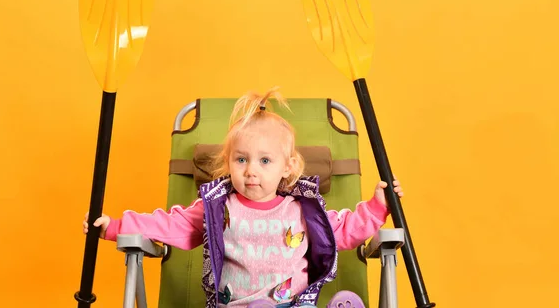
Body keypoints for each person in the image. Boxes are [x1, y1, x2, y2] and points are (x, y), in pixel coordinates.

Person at [83, 87, 404, 308]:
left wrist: (379, 206)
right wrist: (114, 226)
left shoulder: (302, 209)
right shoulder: (219, 207)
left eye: (265, 161)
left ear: (287, 166)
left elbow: (347, 229)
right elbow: (170, 225)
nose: (251, 170)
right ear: (228, 163)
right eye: (241, 160)